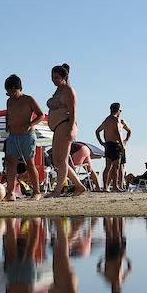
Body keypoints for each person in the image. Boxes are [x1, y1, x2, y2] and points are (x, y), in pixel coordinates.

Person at [46, 64, 85, 198]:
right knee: (57, 161)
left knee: (61, 160)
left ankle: (57, 190)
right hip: (58, 127)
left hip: (65, 125)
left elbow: (73, 110)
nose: (53, 80)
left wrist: (70, 129)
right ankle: (79, 186)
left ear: (64, 77)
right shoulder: (58, 90)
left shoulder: (68, 90)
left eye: (56, 77)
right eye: (52, 77)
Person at [3, 75, 44, 200]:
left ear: (20, 88)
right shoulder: (9, 101)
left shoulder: (29, 99)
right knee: (10, 164)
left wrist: (30, 124)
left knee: (29, 164)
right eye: (8, 93)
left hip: (27, 136)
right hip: (12, 136)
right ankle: (11, 193)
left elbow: (41, 115)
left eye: (13, 92)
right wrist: (7, 124)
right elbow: (8, 113)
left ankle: (36, 192)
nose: (11, 95)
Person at [96, 103, 131, 192]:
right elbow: (118, 132)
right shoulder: (116, 120)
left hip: (108, 144)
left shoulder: (107, 120)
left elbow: (97, 131)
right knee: (116, 167)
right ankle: (115, 186)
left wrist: (101, 142)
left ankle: (105, 187)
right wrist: (123, 145)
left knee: (108, 167)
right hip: (115, 145)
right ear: (118, 110)